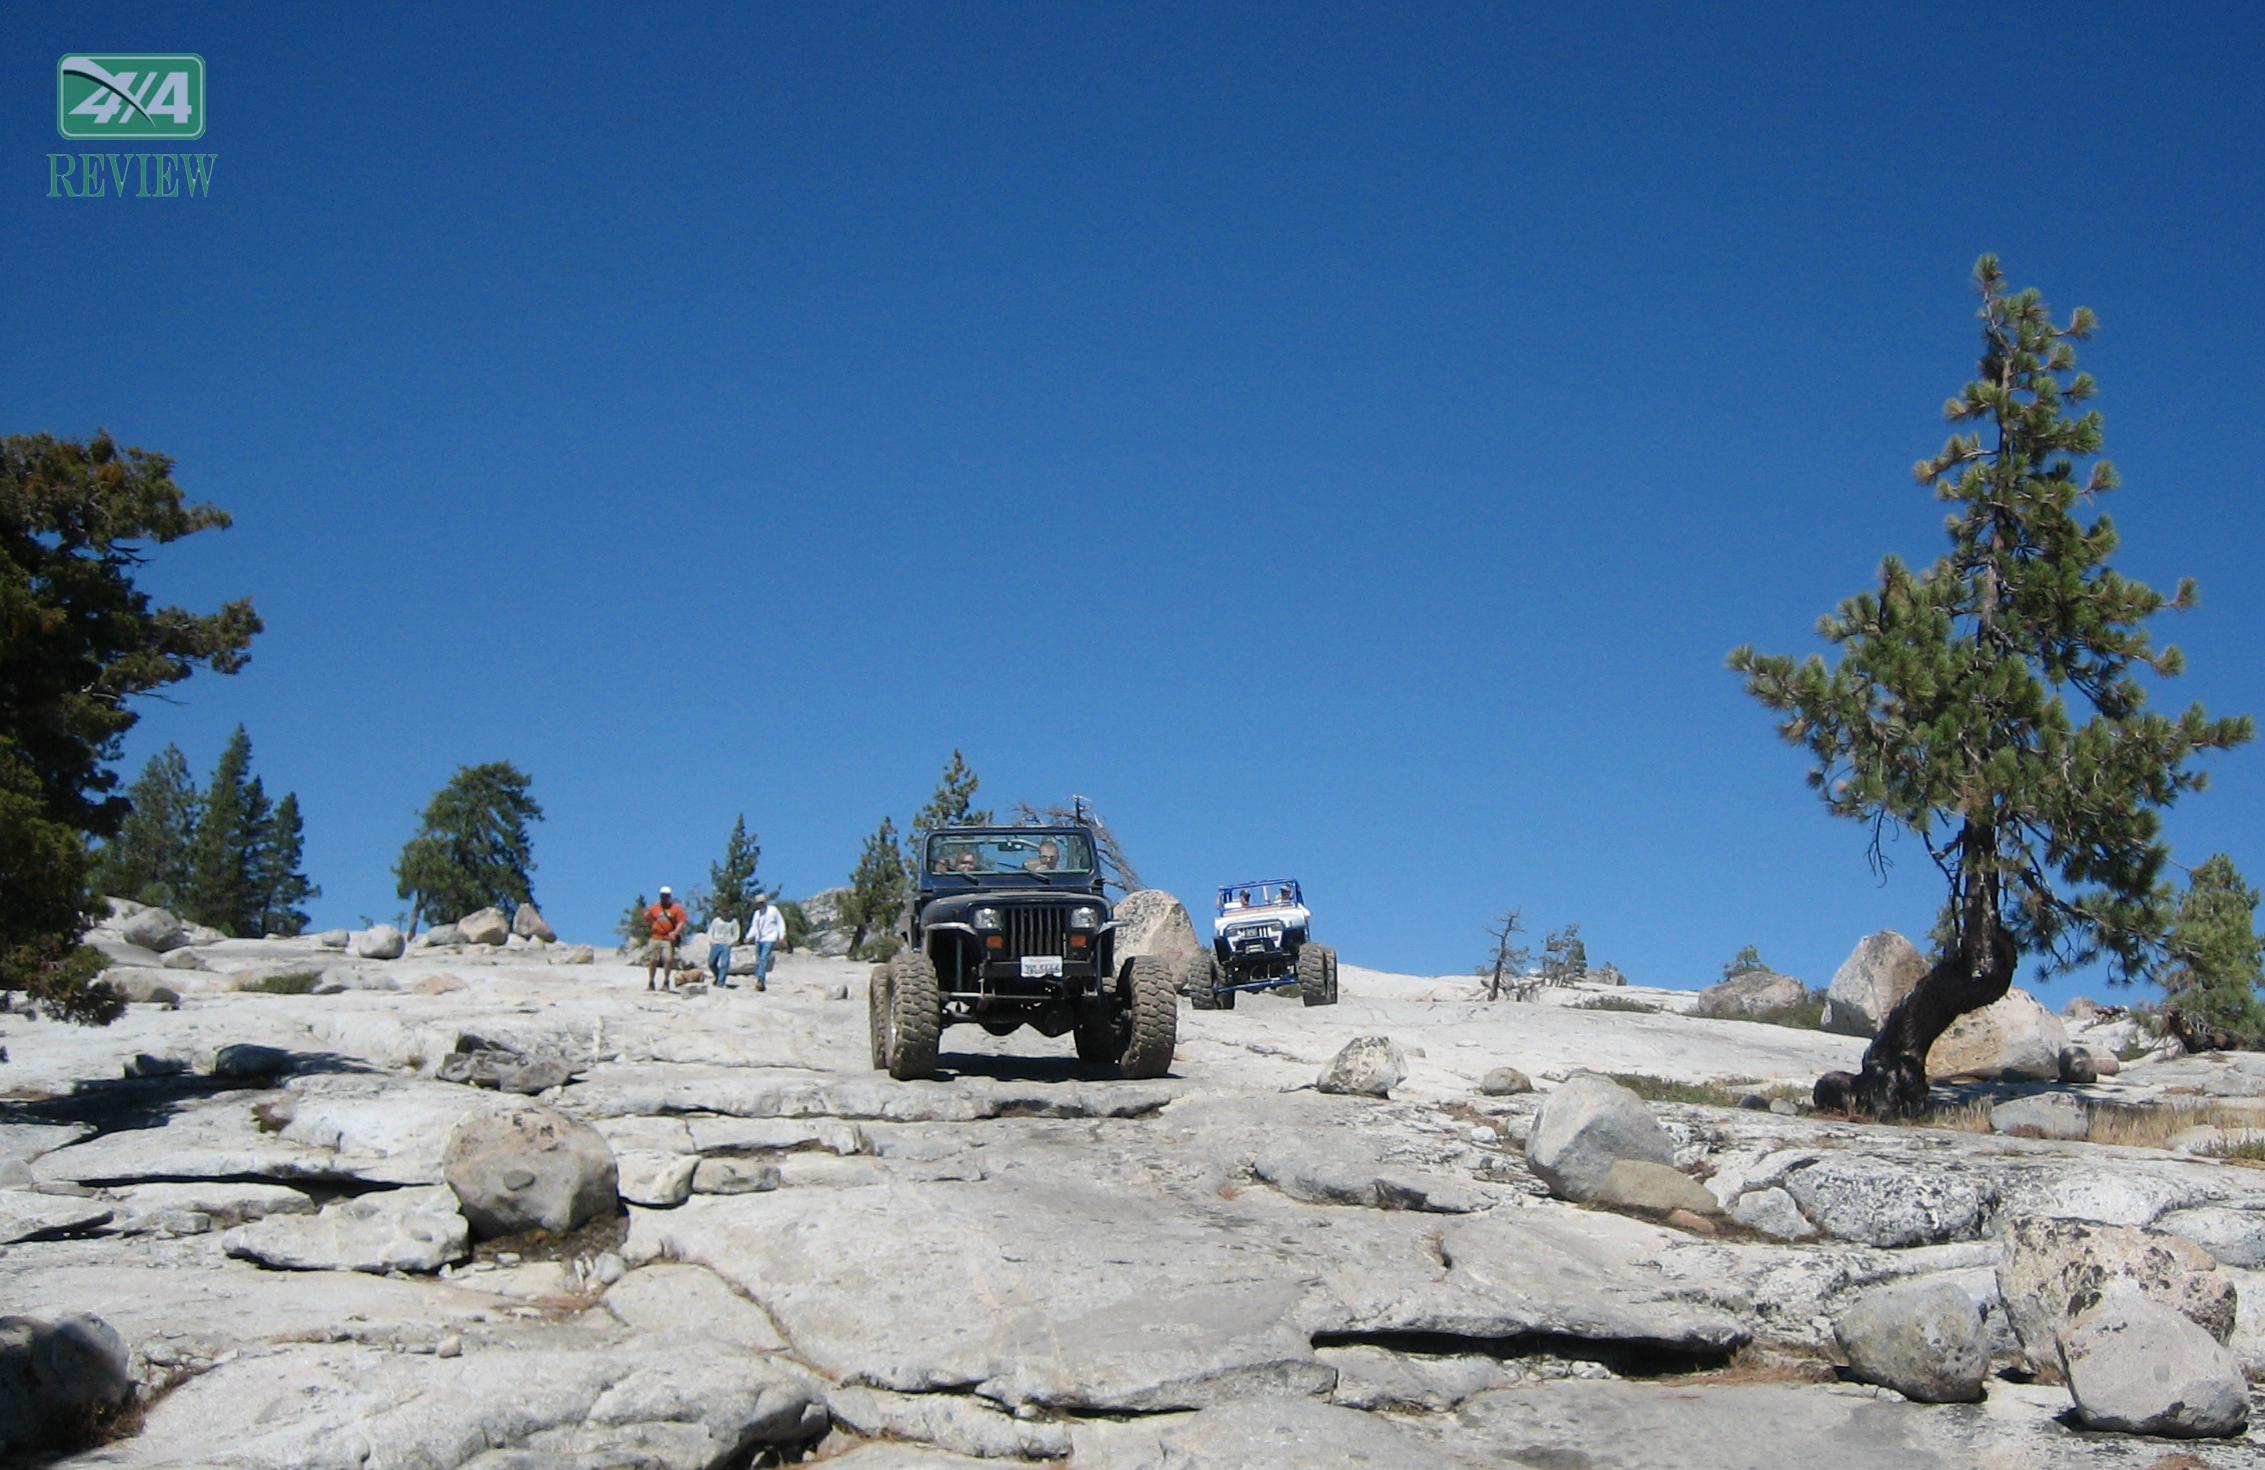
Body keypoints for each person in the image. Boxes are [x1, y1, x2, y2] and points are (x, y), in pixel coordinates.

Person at [645, 886, 689, 991]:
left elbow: (681, 921)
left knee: (668, 960)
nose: (664, 898)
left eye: (666, 896)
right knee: (653, 960)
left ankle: (666, 981)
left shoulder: (676, 909)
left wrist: (675, 932)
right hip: (655, 937)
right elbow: (647, 918)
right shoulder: (655, 908)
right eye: (662, 896)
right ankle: (651, 981)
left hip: (667, 938)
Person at [747, 891, 785, 991]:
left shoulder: (773, 910)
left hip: (770, 937)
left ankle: (760, 979)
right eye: (758, 903)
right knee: (759, 960)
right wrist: (749, 936)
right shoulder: (757, 914)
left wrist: (781, 936)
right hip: (759, 939)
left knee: (764, 958)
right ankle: (761, 980)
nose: (760, 904)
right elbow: (754, 926)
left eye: (762, 902)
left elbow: (780, 923)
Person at [706, 909, 742, 989]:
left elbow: (736, 933)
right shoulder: (716, 921)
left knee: (724, 963)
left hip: (726, 944)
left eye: (727, 911)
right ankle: (718, 976)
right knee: (711, 963)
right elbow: (711, 931)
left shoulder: (733, 921)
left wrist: (732, 941)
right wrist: (712, 941)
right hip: (716, 943)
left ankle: (721, 982)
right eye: (724, 911)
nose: (725, 913)